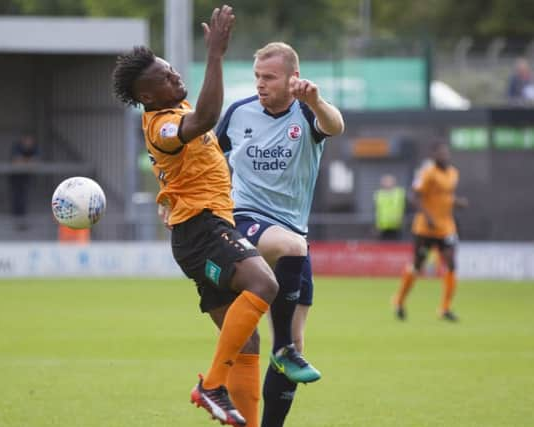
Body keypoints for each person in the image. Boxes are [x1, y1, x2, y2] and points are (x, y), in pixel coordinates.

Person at [112, 6, 279, 427]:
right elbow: (204, 119)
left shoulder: (178, 108)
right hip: (201, 229)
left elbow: (199, 121)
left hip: (201, 230)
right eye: (164, 78)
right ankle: (211, 385)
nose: (173, 77)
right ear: (147, 96)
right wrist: (216, 55)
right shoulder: (161, 125)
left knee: (248, 341)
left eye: (170, 70)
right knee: (263, 283)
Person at [216, 42, 344, 427]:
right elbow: (207, 155)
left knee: (298, 346)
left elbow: (336, 126)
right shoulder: (238, 113)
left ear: (293, 79)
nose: (260, 84)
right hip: (244, 218)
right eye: (257, 76)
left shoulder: (307, 113)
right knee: (290, 246)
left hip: (293, 234)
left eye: (268, 77)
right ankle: (283, 346)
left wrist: (318, 102)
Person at [392, 141, 468, 322]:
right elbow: (414, 196)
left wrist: (457, 203)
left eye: (446, 153)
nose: (445, 156)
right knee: (418, 266)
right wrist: (427, 216)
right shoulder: (427, 173)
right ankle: (399, 301)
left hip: (446, 227)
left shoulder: (453, 173)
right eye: (440, 153)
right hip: (425, 229)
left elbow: (445, 197)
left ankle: (445, 308)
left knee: (451, 263)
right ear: (433, 156)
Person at [9, 134, 39, 218]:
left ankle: (22, 217)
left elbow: (35, 162)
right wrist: (28, 162)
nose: (29, 143)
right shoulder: (17, 147)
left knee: (24, 197)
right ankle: (17, 217)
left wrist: (23, 161)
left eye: (31, 141)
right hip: (15, 176)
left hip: (26, 177)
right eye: (27, 141)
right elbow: (16, 161)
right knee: (17, 197)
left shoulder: (34, 148)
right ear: (23, 140)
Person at [373, 174, 405, 240]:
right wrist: (377, 225)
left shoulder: (399, 193)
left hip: (396, 225)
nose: (388, 183)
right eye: (386, 182)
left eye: (390, 181)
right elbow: (378, 210)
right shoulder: (379, 194)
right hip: (383, 226)